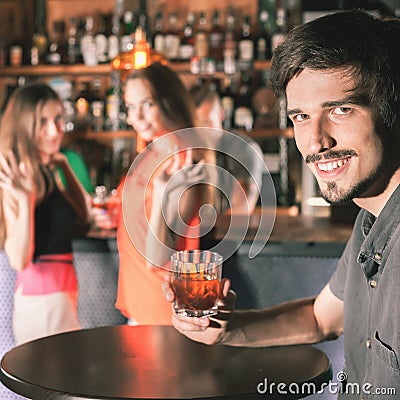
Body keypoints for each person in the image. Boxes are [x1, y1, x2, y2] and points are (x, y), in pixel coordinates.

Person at [164, 10, 400, 398]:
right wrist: (226, 329)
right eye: (302, 117)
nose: (315, 141)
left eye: (341, 109)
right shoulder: (370, 219)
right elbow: (321, 319)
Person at [115, 63, 223, 325]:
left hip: (160, 307)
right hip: (142, 302)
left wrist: (163, 191)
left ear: (169, 102)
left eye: (147, 104)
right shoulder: (154, 152)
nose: (136, 117)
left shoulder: (182, 158)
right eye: (130, 106)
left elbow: (157, 256)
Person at [0, 82, 92, 345]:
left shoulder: (47, 170)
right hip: (41, 304)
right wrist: (26, 198)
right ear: (25, 125)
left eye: (58, 119)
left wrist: (64, 165)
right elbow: (18, 259)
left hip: (62, 296)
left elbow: (85, 218)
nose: (54, 130)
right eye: (42, 122)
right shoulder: (18, 173)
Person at [190, 79, 264, 214]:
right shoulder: (185, 151)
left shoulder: (243, 149)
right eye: (196, 126)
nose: (202, 132)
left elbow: (240, 212)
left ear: (221, 115)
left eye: (207, 122)